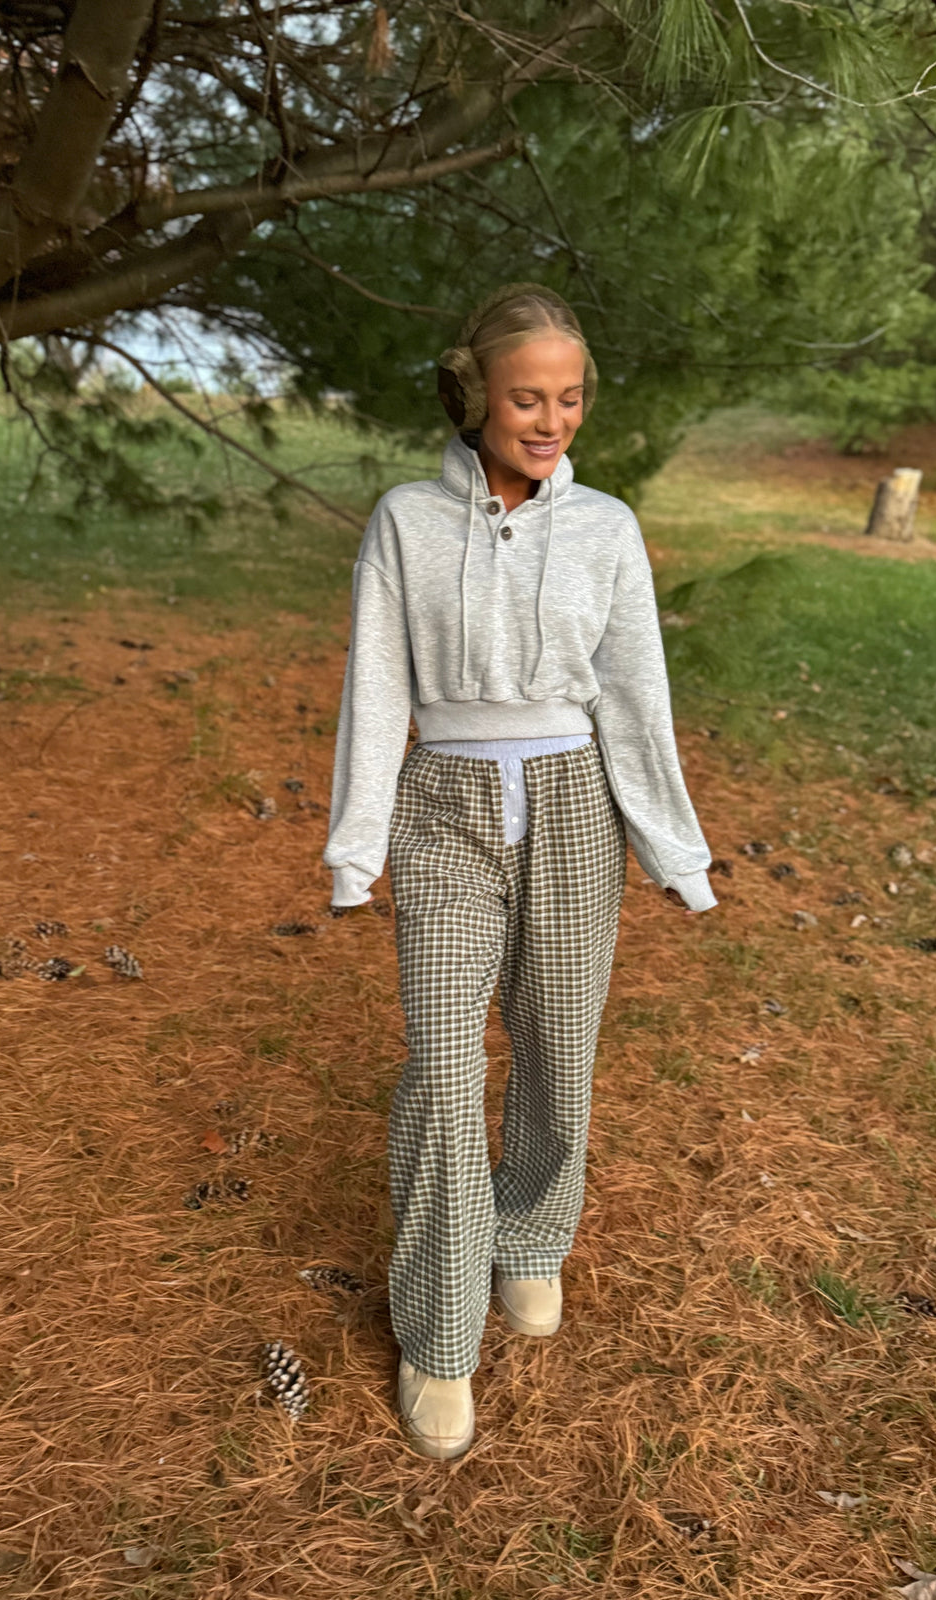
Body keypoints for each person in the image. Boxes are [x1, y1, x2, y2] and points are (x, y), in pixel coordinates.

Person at [323, 283, 716, 1460]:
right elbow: (375, 686)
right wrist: (360, 844)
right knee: (443, 1062)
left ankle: (531, 1239)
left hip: (571, 804)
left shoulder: (607, 528)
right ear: (476, 395)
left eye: (571, 397)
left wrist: (673, 849)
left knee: (557, 1039)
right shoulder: (405, 520)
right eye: (527, 396)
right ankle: (441, 1334)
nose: (552, 419)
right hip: (445, 801)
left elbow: (638, 692)